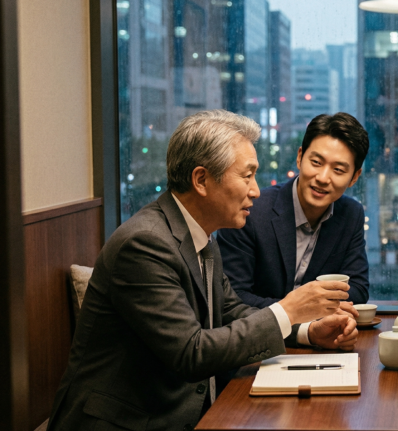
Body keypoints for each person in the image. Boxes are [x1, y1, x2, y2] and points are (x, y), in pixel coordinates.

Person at [47, 110, 358, 430]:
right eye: (247, 175)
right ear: (201, 180)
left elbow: (230, 311)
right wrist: (288, 309)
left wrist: (306, 331)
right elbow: (190, 352)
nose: (255, 191)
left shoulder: (200, 236)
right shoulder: (144, 244)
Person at [218, 112, 369, 308]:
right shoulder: (250, 211)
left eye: (338, 170)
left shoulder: (351, 214)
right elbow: (232, 296)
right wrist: (302, 313)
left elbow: (358, 288)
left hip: (323, 334)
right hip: (260, 336)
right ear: (299, 158)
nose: (323, 178)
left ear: (355, 177)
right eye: (316, 162)